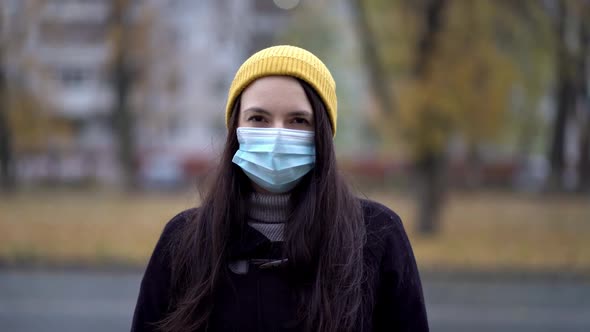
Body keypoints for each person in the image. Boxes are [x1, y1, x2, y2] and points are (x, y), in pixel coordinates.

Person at [131, 45, 429, 332]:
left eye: (298, 120)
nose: (276, 135)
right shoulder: (184, 240)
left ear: (322, 134)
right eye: (258, 118)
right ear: (236, 128)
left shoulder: (376, 236)